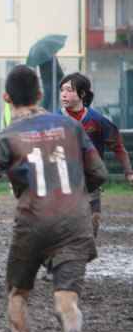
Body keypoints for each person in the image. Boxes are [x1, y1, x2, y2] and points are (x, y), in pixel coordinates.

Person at [0, 65, 108, 332]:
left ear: (6, 97)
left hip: (32, 223)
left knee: (17, 293)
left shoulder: (5, 137)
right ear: (42, 95)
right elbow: (99, 173)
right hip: (74, 223)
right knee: (66, 298)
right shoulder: (70, 127)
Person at [55, 72, 133, 236]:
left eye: (69, 90)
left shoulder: (97, 120)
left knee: (93, 221)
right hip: (63, 179)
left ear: (82, 94)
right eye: (62, 89)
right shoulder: (54, 120)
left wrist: (129, 172)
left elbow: (118, 146)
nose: (63, 94)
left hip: (92, 178)